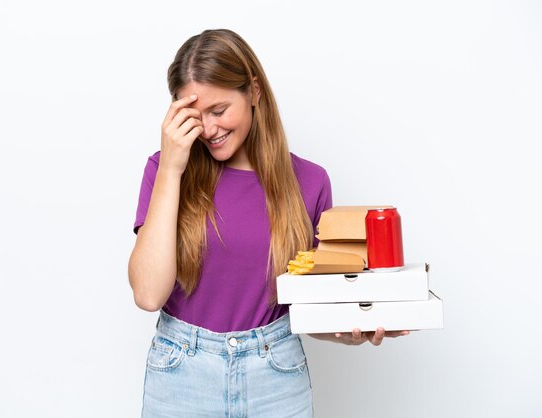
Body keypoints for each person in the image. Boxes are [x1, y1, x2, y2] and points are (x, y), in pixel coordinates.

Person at [129, 29, 408, 418]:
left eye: (219, 110)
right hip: (182, 377)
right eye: (195, 117)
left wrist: (353, 329)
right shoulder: (163, 172)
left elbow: (308, 307)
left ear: (254, 92)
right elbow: (147, 294)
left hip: (275, 376)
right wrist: (173, 167)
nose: (209, 130)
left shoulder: (310, 183)